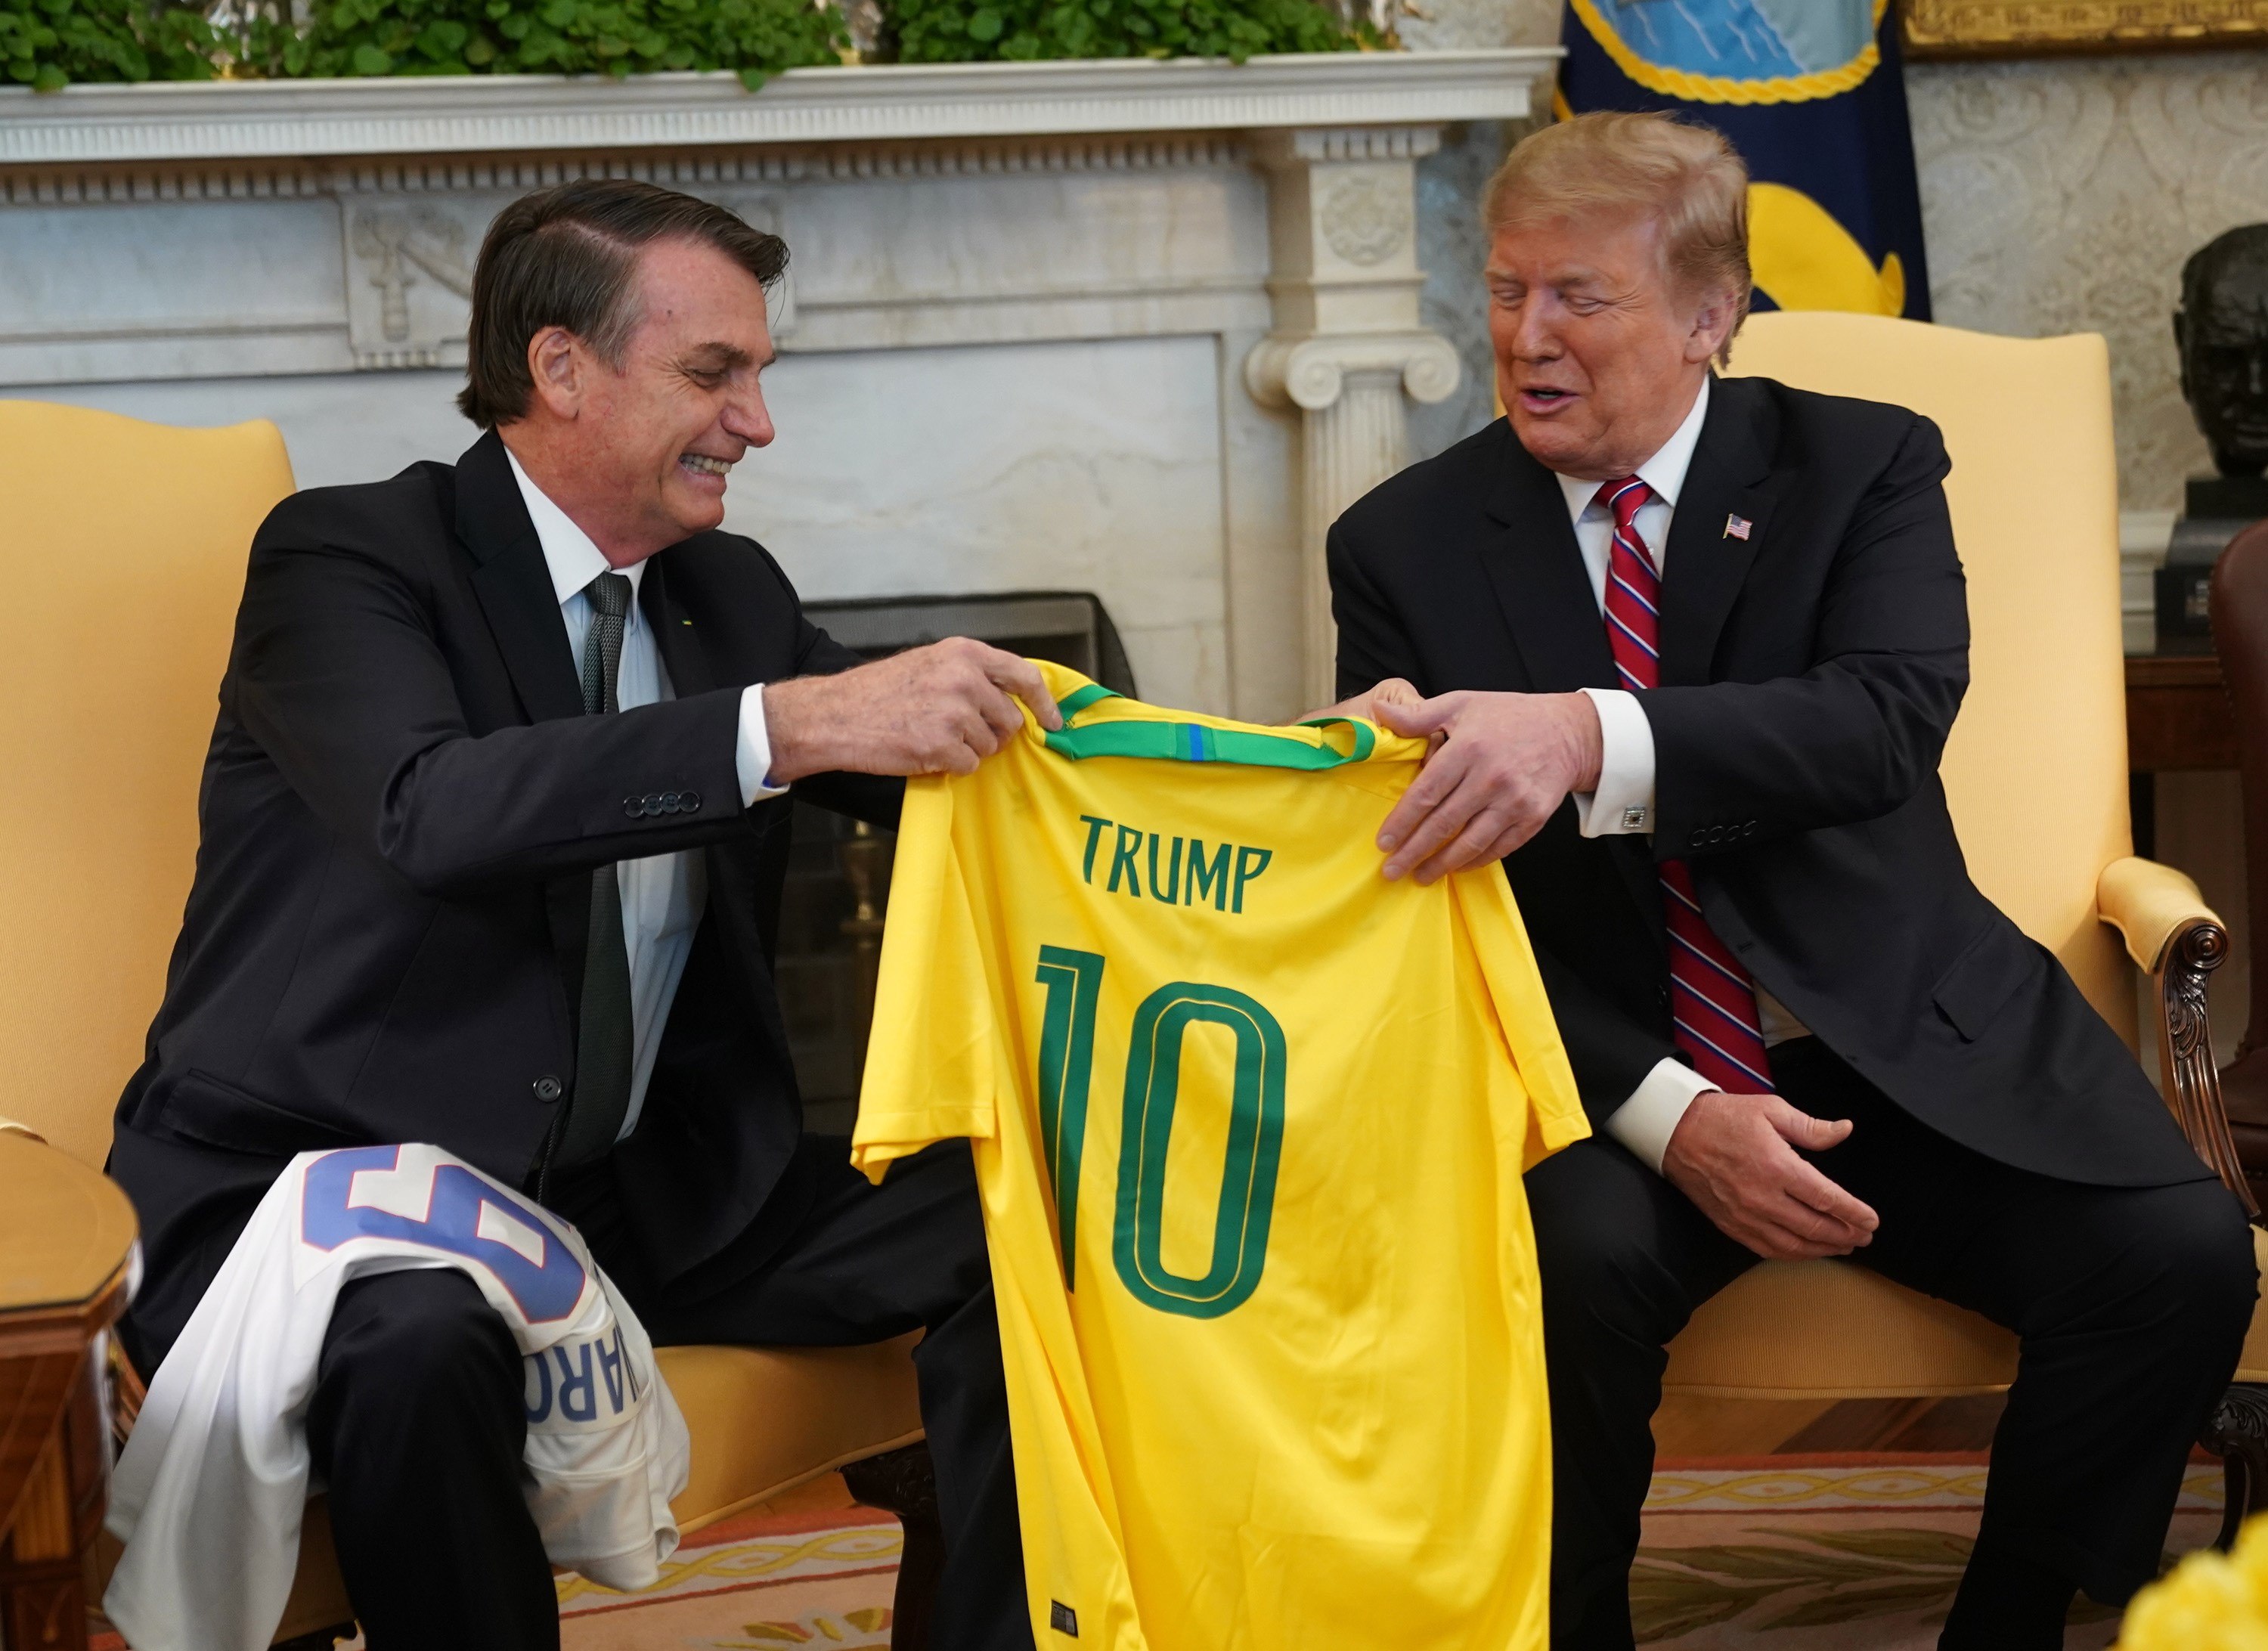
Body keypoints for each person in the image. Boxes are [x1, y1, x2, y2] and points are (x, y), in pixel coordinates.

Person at [1322, 113, 2258, 1651]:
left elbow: (1880, 721)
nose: (1526, 339)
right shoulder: (1405, 542)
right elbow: (1426, 893)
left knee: (2177, 1259)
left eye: (1579, 299)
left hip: (1898, 1037)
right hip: (1604, 1064)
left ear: (1710, 317)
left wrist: (1586, 736)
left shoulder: (1859, 464)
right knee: (1563, 1273)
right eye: (1502, 292)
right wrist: (1671, 1114)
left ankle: (2011, 1622)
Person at [107, 178, 1055, 1651]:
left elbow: (972, 770)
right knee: (419, 1352)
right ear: (560, 368)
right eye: (712, 374)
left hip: (637, 1189)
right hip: (338, 1198)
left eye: (760, 375)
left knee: (1042, 1211)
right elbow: (436, 808)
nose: (757, 422)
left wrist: (1293, 767)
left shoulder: (724, 594)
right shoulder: (348, 559)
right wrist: (783, 727)